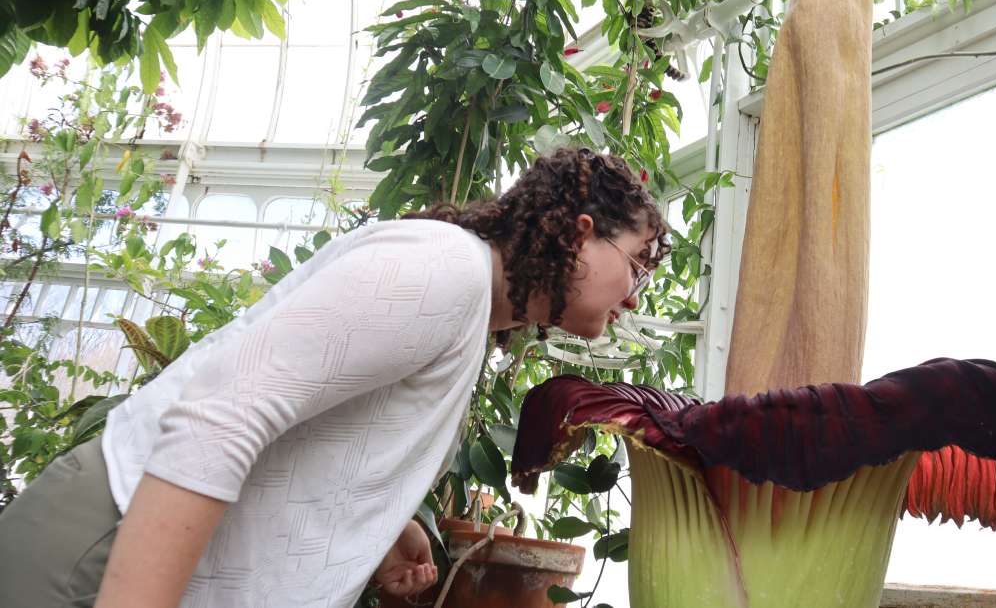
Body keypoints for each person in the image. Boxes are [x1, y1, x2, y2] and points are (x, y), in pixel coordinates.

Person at [0, 147, 669, 607]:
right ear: (581, 234)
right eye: (638, 266)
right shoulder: (448, 272)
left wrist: (384, 526)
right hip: (104, 553)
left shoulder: (472, 308)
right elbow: (221, 415)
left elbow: (314, 428)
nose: (636, 295)